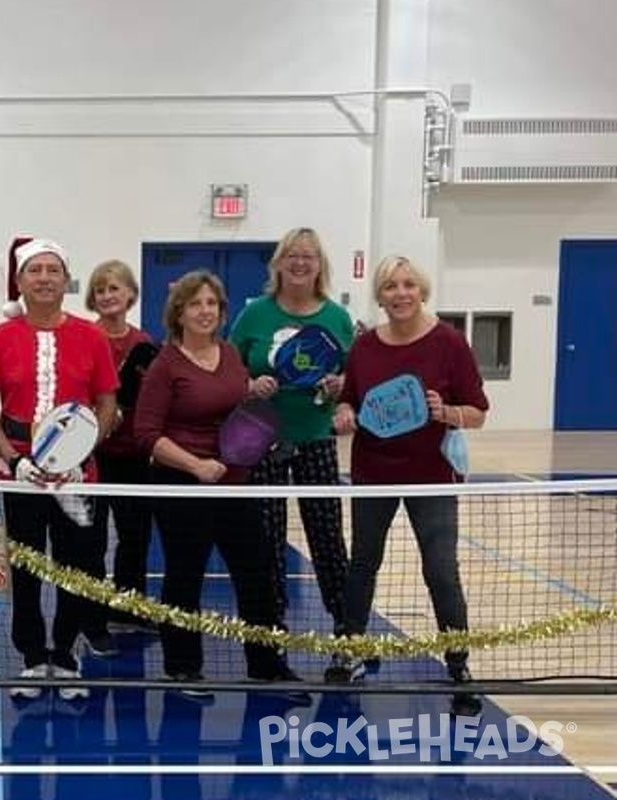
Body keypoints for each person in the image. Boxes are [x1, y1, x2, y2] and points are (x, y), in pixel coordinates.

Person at [326, 255, 488, 702]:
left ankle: (458, 664)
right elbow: (349, 401)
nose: (400, 293)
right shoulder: (364, 348)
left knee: (440, 569)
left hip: (431, 476)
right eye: (391, 286)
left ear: (422, 290)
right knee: (363, 563)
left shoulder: (450, 343)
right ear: (379, 295)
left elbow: (477, 413)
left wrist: (447, 412)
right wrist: (343, 413)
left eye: (408, 285)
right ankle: (349, 652)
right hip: (374, 472)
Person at [133, 270, 298, 692]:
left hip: (233, 483)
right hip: (181, 484)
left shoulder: (228, 355)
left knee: (256, 572)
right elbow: (147, 434)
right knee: (185, 574)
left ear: (222, 311)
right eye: (195, 304)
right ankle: (183, 666)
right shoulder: (165, 366)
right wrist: (196, 466)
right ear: (179, 313)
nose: (205, 311)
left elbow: (234, 405)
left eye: (212, 303)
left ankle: (265, 663)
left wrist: (255, 413)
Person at [0, 237, 119, 701]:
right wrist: (13, 461)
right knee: (26, 565)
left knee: (75, 563)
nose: (44, 278)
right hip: (21, 473)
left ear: (66, 280)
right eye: (34, 270)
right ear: (20, 280)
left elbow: (108, 404)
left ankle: (67, 654)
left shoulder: (92, 337)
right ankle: (33, 656)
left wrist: (82, 455)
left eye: (53, 270)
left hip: (77, 477)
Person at [228, 227, 354, 640]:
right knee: (267, 536)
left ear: (320, 266)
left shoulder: (336, 317)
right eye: (292, 256)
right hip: (263, 439)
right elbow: (228, 370)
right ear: (278, 264)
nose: (300, 263)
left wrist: (342, 388)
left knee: (327, 536)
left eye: (309, 257)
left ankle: (346, 625)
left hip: (315, 438)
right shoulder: (255, 314)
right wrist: (249, 385)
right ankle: (271, 624)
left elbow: (354, 374)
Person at [85, 259, 155, 639]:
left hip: (133, 455)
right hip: (92, 456)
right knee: (92, 536)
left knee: (135, 535)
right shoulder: (83, 337)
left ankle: (129, 608)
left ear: (130, 294)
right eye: (100, 290)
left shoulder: (144, 344)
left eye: (114, 288)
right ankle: (93, 612)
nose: (107, 295)